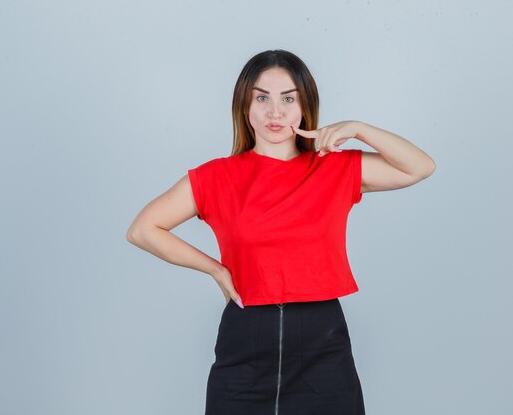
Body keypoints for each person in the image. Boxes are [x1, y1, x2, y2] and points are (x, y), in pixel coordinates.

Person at [126, 49, 435, 415]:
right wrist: (215, 269)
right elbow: (143, 229)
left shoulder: (334, 168)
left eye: (288, 98)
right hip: (245, 341)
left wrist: (358, 128)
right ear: (245, 107)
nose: (275, 112)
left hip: (323, 343)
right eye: (262, 98)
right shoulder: (215, 177)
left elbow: (420, 167)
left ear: (305, 106)